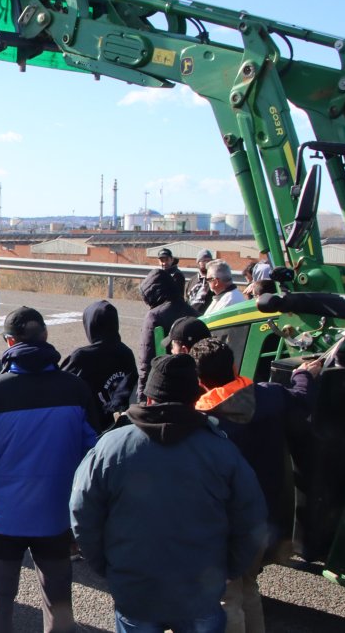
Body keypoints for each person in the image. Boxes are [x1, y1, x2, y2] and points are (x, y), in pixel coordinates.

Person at [70, 354, 269, 633]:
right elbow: (251, 518)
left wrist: (106, 566)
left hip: (134, 588)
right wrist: (230, 569)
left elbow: (82, 512)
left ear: (148, 397)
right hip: (200, 591)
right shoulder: (222, 451)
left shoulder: (110, 446)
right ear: (195, 398)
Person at [0, 306, 97, 632]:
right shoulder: (75, 389)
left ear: (9, 342)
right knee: (58, 601)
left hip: (3, 516)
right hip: (57, 515)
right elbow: (93, 452)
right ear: (45, 337)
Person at [191, 338, 321, 633]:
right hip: (266, 518)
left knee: (226, 597)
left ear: (199, 381)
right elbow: (301, 398)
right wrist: (304, 374)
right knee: (249, 586)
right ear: (235, 366)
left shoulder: (202, 419)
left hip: (227, 524)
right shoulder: (270, 396)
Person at [61, 299, 137, 430]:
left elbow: (58, 383)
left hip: (91, 428)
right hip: (121, 426)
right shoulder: (126, 353)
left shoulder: (81, 357)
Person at [136, 268, 198, 402]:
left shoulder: (154, 316)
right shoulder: (193, 312)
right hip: (191, 383)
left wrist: (142, 395)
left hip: (162, 384)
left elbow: (146, 359)